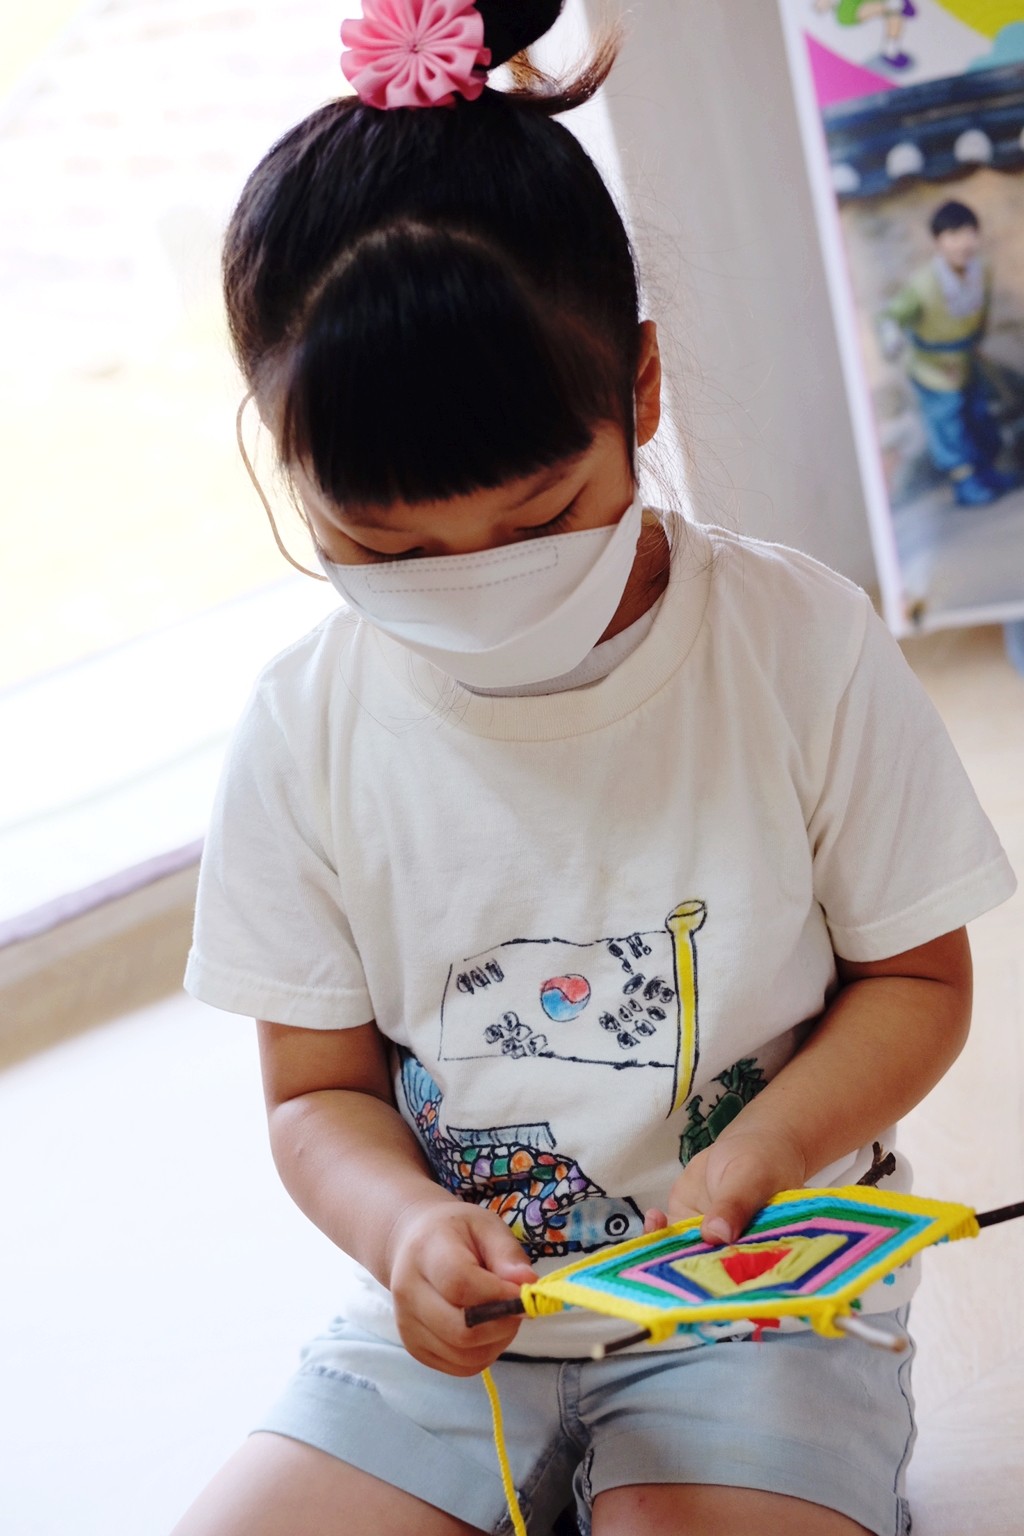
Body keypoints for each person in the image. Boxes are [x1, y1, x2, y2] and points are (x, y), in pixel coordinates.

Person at [174, 4, 1016, 1534]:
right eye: (385, 550)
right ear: (290, 470)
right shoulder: (306, 729)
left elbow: (918, 980)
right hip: (456, 1330)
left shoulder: (799, 646)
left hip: (757, 1298)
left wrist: (768, 1148)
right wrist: (405, 1229)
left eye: (537, 521)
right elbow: (313, 1094)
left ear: (639, 390)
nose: (474, 586)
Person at [879, 199, 1018, 508]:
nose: (963, 243)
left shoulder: (981, 270)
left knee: (979, 417)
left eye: (969, 233)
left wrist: (976, 340)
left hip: (966, 360)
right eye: (953, 235)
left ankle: (987, 472)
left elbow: (981, 311)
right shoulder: (923, 284)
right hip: (933, 368)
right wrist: (891, 338)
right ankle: (965, 483)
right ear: (938, 241)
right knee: (948, 425)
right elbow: (891, 316)